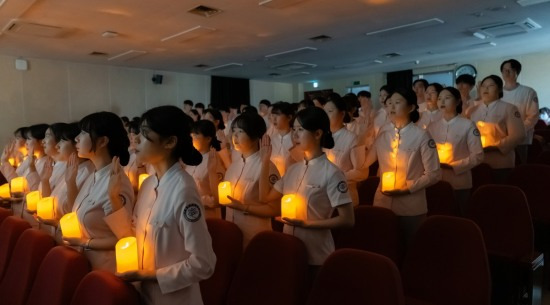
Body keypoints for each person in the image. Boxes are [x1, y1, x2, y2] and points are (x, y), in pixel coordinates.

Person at [105, 106, 216, 305]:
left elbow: (203, 264)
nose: (136, 139)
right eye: (138, 132)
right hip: (143, 294)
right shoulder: (149, 184)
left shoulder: (183, 190)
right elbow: (131, 236)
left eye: (145, 135)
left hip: (174, 298)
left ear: (170, 142)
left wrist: (150, 275)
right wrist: (113, 199)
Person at [258, 106, 354, 271]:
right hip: (289, 248)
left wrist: (308, 224)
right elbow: (264, 197)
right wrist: (265, 161)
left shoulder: (331, 173)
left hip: (316, 254)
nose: (294, 135)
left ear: (317, 134)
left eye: (301, 129)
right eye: (293, 129)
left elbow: (348, 220)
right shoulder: (293, 170)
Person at [365, 87, 441, 245]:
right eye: (389, 103)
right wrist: (361, 134)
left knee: (410, 245)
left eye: (397, 102)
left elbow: (434, 174)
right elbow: (365, 162)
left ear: (411, 107)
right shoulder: (383, 132)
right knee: (383, 244)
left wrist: (408, 188)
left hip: (411, 205)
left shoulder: (421, 136)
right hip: (383, 201)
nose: (391, 107)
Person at [65, 111, 135, 272]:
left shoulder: (118, 182)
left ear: (103, 141)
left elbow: (123, 237)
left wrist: (83, 242)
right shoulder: (95, 175)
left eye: (83, 133)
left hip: (107, 269)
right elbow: (75, 213)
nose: (76, 138)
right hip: (87, 264)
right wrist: (70, 183)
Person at [223, 112, 281, 247]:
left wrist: (244, 207)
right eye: (233, 131)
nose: (235, 136)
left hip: (255, 235)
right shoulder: (234, 166)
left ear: (255, 137)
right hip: (231, 234)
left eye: (240, 131)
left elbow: (276, 209)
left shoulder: (267, 166)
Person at [428, 87, 483, 215]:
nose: (442, 101)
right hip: (435, 180)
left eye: (447, 98)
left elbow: (478, 155)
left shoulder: (467, 125)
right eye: (440, 98)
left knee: (458, 213)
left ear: (458, 101)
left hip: (460, 181)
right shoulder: (432, 126)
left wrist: (454, 166)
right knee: (437, 213)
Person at [469, 75, 525, 183]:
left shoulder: (509, 108)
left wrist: (495, 147)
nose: (486, 89)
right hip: (477, 161)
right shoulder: (473, 110)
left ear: (499, 89)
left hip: (501, 161)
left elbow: (518, 135)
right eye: (483, 86)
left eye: (490, 86)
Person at [323, 94, 368, 206]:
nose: (325, 116)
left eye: (330, 111)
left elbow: (361, 172)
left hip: (345, 196)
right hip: (324, 197)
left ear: (342, 114)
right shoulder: (320, 138)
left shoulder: (352, 138)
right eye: (324, 112)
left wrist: (336, 176)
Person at [500, 59, 539, 164]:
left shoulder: (528, 92)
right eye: (504, 70)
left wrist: (516, 132)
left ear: (517, 72)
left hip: (521, 140)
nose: (507, 73)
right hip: (500, 139)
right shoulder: (498, 93)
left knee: (519, 166)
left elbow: (533, 116)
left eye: (510, 70)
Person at [187, 120, 226, 219]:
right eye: (191, 136)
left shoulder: (214, 161)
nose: (192, 140)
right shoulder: (190, 160)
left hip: (208, 215)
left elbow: (218, 198)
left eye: (195, 136)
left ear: (208, 138)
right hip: (190, 212)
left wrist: (196, 200)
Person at [269, 102, 303, 176]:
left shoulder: (296, 140)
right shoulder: (271, 140)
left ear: (289, 117)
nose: (274, 119)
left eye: (277, 115)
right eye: (272, 115)